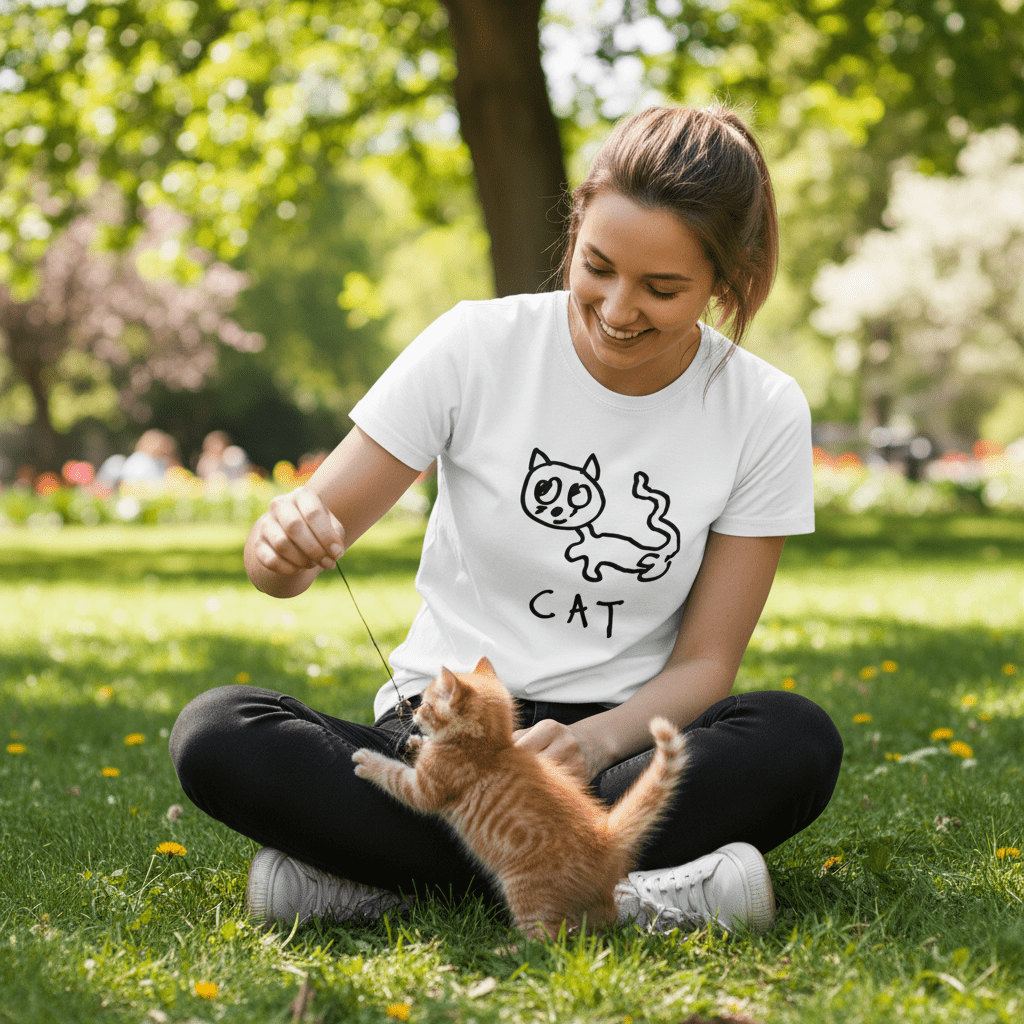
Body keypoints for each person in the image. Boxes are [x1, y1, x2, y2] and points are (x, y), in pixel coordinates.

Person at [170, 104, 843, 935]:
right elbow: (291, 553)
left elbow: (708, 663)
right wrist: (280, 544)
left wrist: (594, 744)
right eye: (597, 266)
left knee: (797, 739)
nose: (618, 308)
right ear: (576, 227)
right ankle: (618, 889)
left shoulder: (763, 408)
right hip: (446, 736)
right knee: (218, 732)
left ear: (726, 279)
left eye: (662, 289)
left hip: (618, 747)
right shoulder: (474, 346)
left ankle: (390, 883)